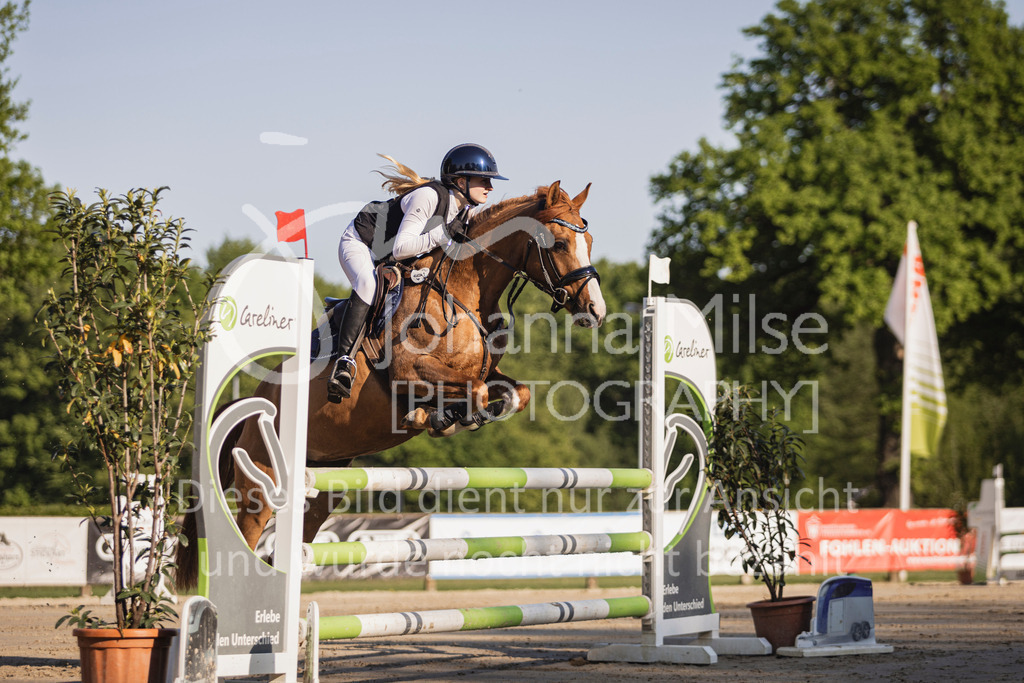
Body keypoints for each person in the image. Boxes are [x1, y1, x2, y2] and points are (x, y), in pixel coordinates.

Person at [328, 143, 508, 402]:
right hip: (361, 243)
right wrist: (443, 233)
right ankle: (343, 363)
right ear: (460, 181)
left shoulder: (464, 210)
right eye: (484, 181)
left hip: (394, 255)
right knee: (367, 283)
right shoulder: (429, 197)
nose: (490, 187)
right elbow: (401, 249)